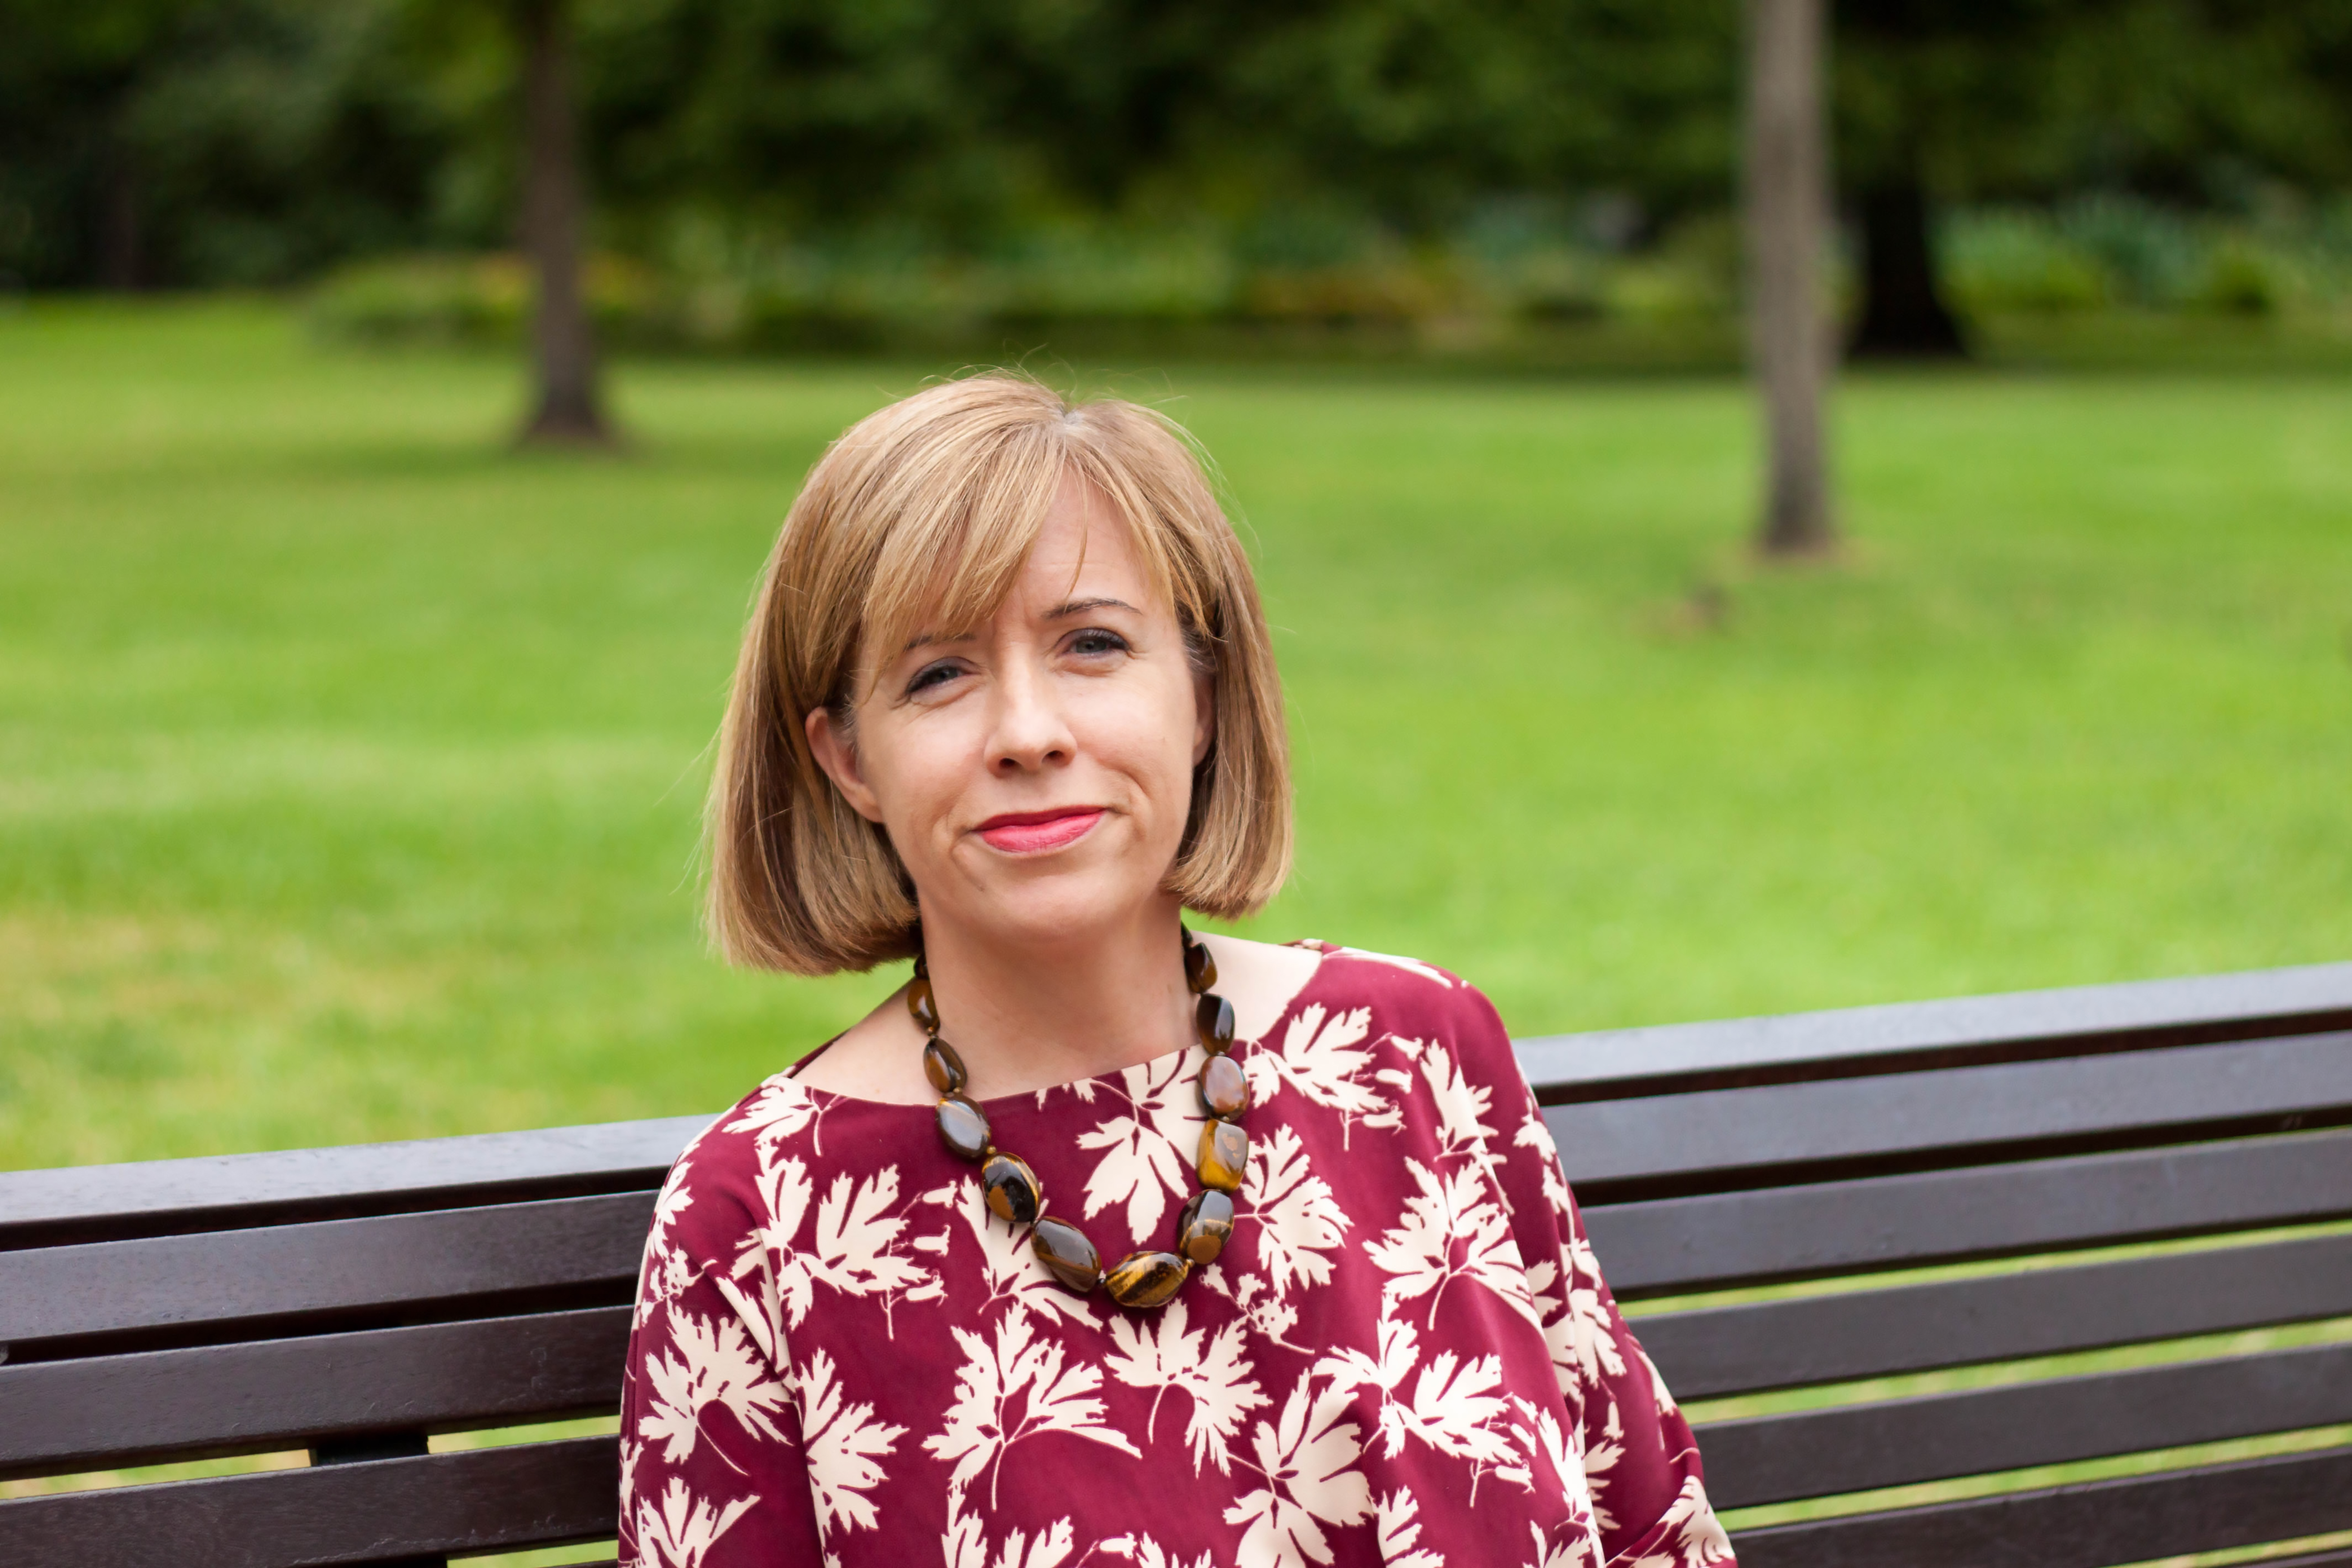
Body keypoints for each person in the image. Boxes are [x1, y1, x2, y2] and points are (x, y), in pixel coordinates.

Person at [619, 375, 1735, 1568]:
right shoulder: (761, 1223)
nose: (1028, 731)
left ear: (1203, 694)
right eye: (938, 674)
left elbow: (1647, 1525)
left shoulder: (1417, 1053)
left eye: (1092, 644)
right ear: (849, 762)